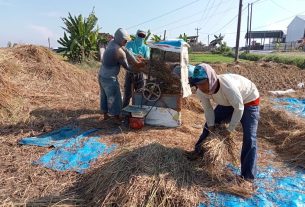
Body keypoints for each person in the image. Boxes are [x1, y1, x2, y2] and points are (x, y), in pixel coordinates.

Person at [186, 63, 260, 181]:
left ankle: (248, 177)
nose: (202, 87)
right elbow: (208, 109)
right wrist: (211, 126)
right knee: (209, 125)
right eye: (198, 84)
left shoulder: (227, 87)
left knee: (250, 137)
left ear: (211, 79)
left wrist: (230, 130)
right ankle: (198, 152)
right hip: (227, 102)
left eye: (203, 83)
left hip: (249, 99)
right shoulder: (200, 91)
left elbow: (239, 108)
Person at [98, 28, 146, 121]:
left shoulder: (113, 42)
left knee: (104, 96)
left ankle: (105, 115)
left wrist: (136, 61)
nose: (126, 42)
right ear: (120, 39)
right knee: (115, 96)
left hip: (101, 75)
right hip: (109, 78)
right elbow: (128, 67)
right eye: (125, 40)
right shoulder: (118, 51)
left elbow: (127, 52)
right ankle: (116, 118)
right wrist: (139, 66)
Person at [122, 29, 150, 108]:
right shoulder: (130, 44)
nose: (141, 37)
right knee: (127, 94)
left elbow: (147, 57)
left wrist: (142, 58)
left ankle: (137, 112)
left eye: (143, 36)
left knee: (140, 94)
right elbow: (129, 53)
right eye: (140, 35)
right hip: (130, 72)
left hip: (140, 74)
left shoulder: (146, 48)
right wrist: (139, 57)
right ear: (136, 35)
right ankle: (124, 111)